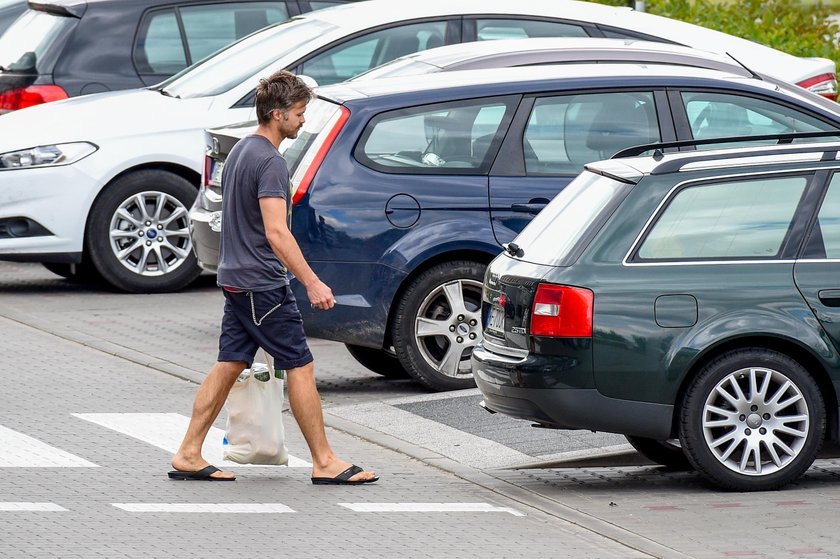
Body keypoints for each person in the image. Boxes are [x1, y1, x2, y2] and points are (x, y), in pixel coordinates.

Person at [169, 70, 377, 485]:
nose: (303, 121)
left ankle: (189, 452)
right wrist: (313, 282)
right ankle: (324, 461)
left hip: (235, 278)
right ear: (277, 114)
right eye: (299, 113)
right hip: (262, 284)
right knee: (300, 365)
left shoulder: (242, 150)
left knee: (229, 363)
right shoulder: (270, 162)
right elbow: (276, 232)